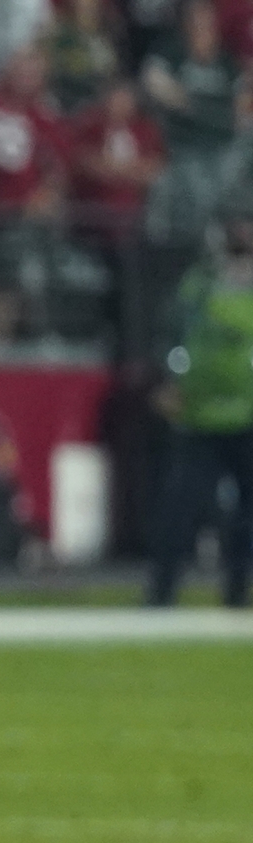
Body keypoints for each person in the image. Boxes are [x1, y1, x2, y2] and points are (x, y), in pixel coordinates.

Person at [144, 214, 253, 609]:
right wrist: (169, 379)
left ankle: (237, 593)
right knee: (180, 510)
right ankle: (160, 594)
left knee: (247, 515)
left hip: (247, 415)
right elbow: (173, 336)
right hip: (199, 415)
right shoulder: (200, 285)